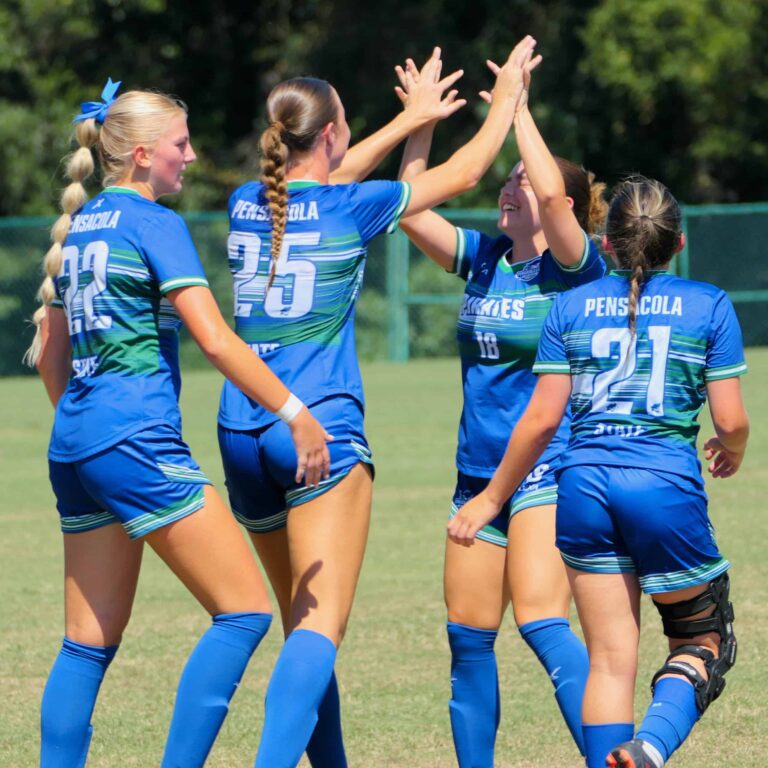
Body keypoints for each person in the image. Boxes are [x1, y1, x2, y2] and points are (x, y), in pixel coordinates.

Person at [215, 36, 540, 768]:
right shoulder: (347, 208)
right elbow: (466, 173)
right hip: (315, 425)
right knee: (318, 628)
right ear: (330, 133)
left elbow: (325, 177)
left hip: (240, 427)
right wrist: (508, 101)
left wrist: (411, 120)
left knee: (303, 621)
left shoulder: (245, 203)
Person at [28, 79, 332, 768]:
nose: (190, 158)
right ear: (140, 155)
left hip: (75, 444)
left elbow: (52, 348)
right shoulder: (154, 222)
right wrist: (295, 413)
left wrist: (88, 429)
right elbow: (218, 341)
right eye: (180, 145)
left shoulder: (81, 226)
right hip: (132, 439)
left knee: (85, 643)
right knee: (247, 610)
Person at [448, 176, 748, 768]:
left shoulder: (569, 305)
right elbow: (730, 418)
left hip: (581, 487)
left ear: (605, 243)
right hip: (663, 488)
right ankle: (652, 747)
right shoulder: (708, 303)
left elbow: (539, 422)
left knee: (610, 659)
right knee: (704, 642)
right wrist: (733, 447)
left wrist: (489, 500)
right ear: (679, 243)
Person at [395, 51, 606, 765]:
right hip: (477, 474)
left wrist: (515, 109)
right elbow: (410, 208)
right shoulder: (486, 257)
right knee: (468, 637)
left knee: (544, 624)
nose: (510, 187)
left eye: (520, 177)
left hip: (548, 471)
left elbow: (552, 197)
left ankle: (612, 756)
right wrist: (419, 125)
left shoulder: (576, 270)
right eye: (508, 179)